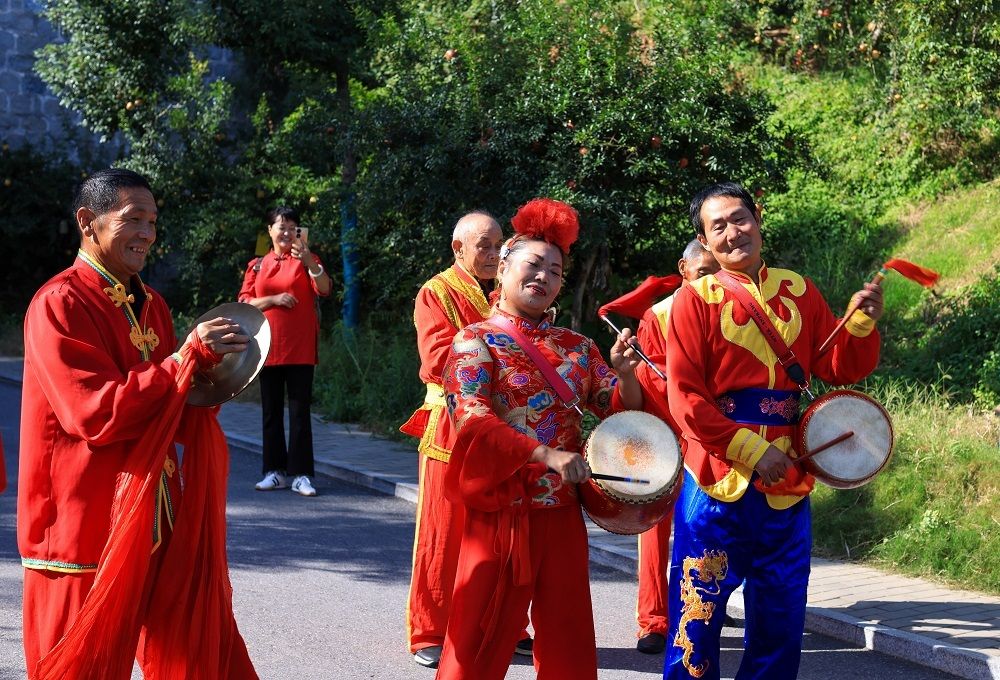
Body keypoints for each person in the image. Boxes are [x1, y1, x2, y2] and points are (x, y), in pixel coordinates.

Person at [18, 168, 257, 678]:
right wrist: (180, 363)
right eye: (133, 219)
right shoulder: (60, 302)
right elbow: (94, 413)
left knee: (189, 652)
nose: (147, 233)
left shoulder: (154, 305)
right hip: (82, 527)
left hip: (157, 515)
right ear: (88, 222)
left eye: (152, 221)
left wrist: (210, 374)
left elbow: (170, 410)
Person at [663, 182, 882, 679]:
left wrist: (860, 325)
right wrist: (753, 451)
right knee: (697, 614)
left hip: (788, 480)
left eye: (739, 219)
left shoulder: (799, 289)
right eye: (717, 226)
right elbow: (686, 399)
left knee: (781, 616)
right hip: (716, 477)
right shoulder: (693, 300)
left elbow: (836, 366)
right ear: (705, 240)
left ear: (758, 219)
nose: (732, 233)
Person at [435, 198, 644, 680]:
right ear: (503, 268)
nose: (543, 277)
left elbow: (621, 414)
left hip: (561, 513)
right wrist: (544, 453)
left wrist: (626, 374)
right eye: (533, 264)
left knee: (568, 636)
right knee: (477, 637)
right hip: (499, 511)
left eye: (555, 271)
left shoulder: (579, 347)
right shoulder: (473, 341)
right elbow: (471, 419)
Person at [400, 211, 536, 668]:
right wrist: (499, 365)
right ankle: (430, 630)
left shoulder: (508, 290)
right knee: (442, 531)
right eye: (484, 245)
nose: (495, 253)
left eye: (500, 245)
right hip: (451, 423)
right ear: (458, 248)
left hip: (506, 425)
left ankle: (507, 625)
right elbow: (437, 357)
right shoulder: (436, 292)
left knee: (504, 530)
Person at [631, 239, 719, 654]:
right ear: (684, 269)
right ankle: (653, 620)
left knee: (707, 525)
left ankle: (705, 602)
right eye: (703, 273)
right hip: (665, 436)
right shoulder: (659, 315)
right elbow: (650, 380)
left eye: (717, 272)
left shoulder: (729, 308)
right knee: (654, 529)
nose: (710, 281)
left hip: (712, 436)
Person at [240, 206, 331, 497]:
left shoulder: (306, 260)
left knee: (300, 413)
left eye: (292, 227)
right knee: (271, 412)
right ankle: (274, 472)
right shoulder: (258, 264)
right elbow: (244, 302)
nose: (287, 232)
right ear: (270, 231)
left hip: (300, 348)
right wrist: (274, 299)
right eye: (281, 227)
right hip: (268, 347)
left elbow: (325, 288)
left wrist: (309, 261)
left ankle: (302, 475)